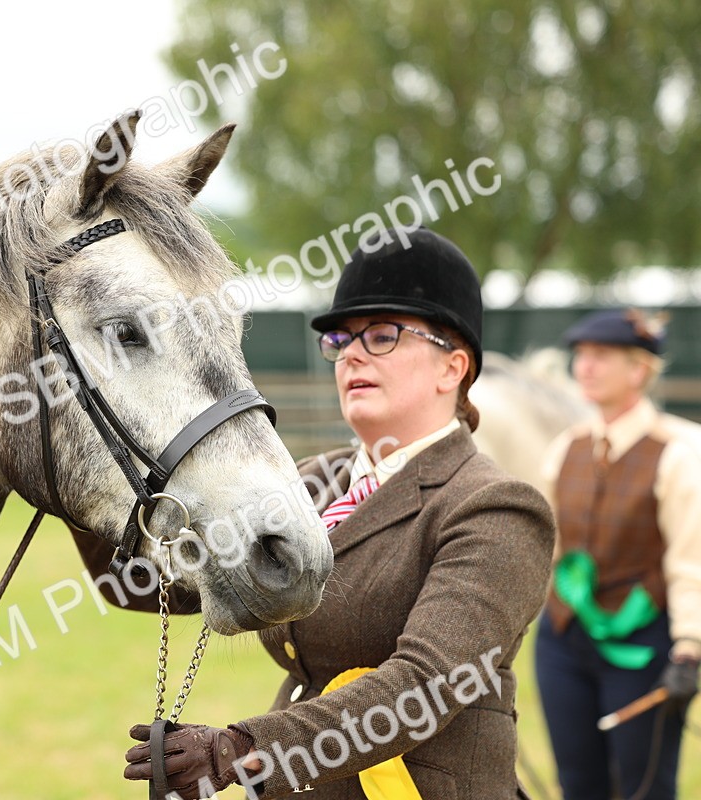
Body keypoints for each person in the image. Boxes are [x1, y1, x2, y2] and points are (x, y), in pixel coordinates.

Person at [77, 226, 556, 799]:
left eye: (381, 335)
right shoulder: (307, 484)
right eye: (341, 340)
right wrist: (77, 470)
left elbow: (424, 687)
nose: (350, 352)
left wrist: (240, 751)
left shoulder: (497, 509)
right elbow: (146, 583)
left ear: (452, 368)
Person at [535, 308, 701, 800]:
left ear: (639, 369)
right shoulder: (565, 448)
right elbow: (551, 550)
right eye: (581, 356)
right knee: (578, 782)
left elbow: (691, 560)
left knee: (645, 786)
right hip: (564, 639)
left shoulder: (681, 450)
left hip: (644, 642)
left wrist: (689, 649)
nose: (584, 366)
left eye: (601, 356)